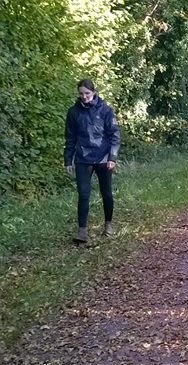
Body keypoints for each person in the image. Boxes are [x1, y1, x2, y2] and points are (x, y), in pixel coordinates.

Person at [63, 78, 121, 243]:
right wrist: (68, 159)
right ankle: (82, 231)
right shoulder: (73, 113)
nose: (84, 97)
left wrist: (112, 157)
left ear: (94, 92)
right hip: (83, 158)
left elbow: (115, 136)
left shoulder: (105, 111)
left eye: (87, 93)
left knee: (107, 193)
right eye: (81, 94)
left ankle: (108, 224)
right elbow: (70, 138)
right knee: (83, 195)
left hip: (103, 158)